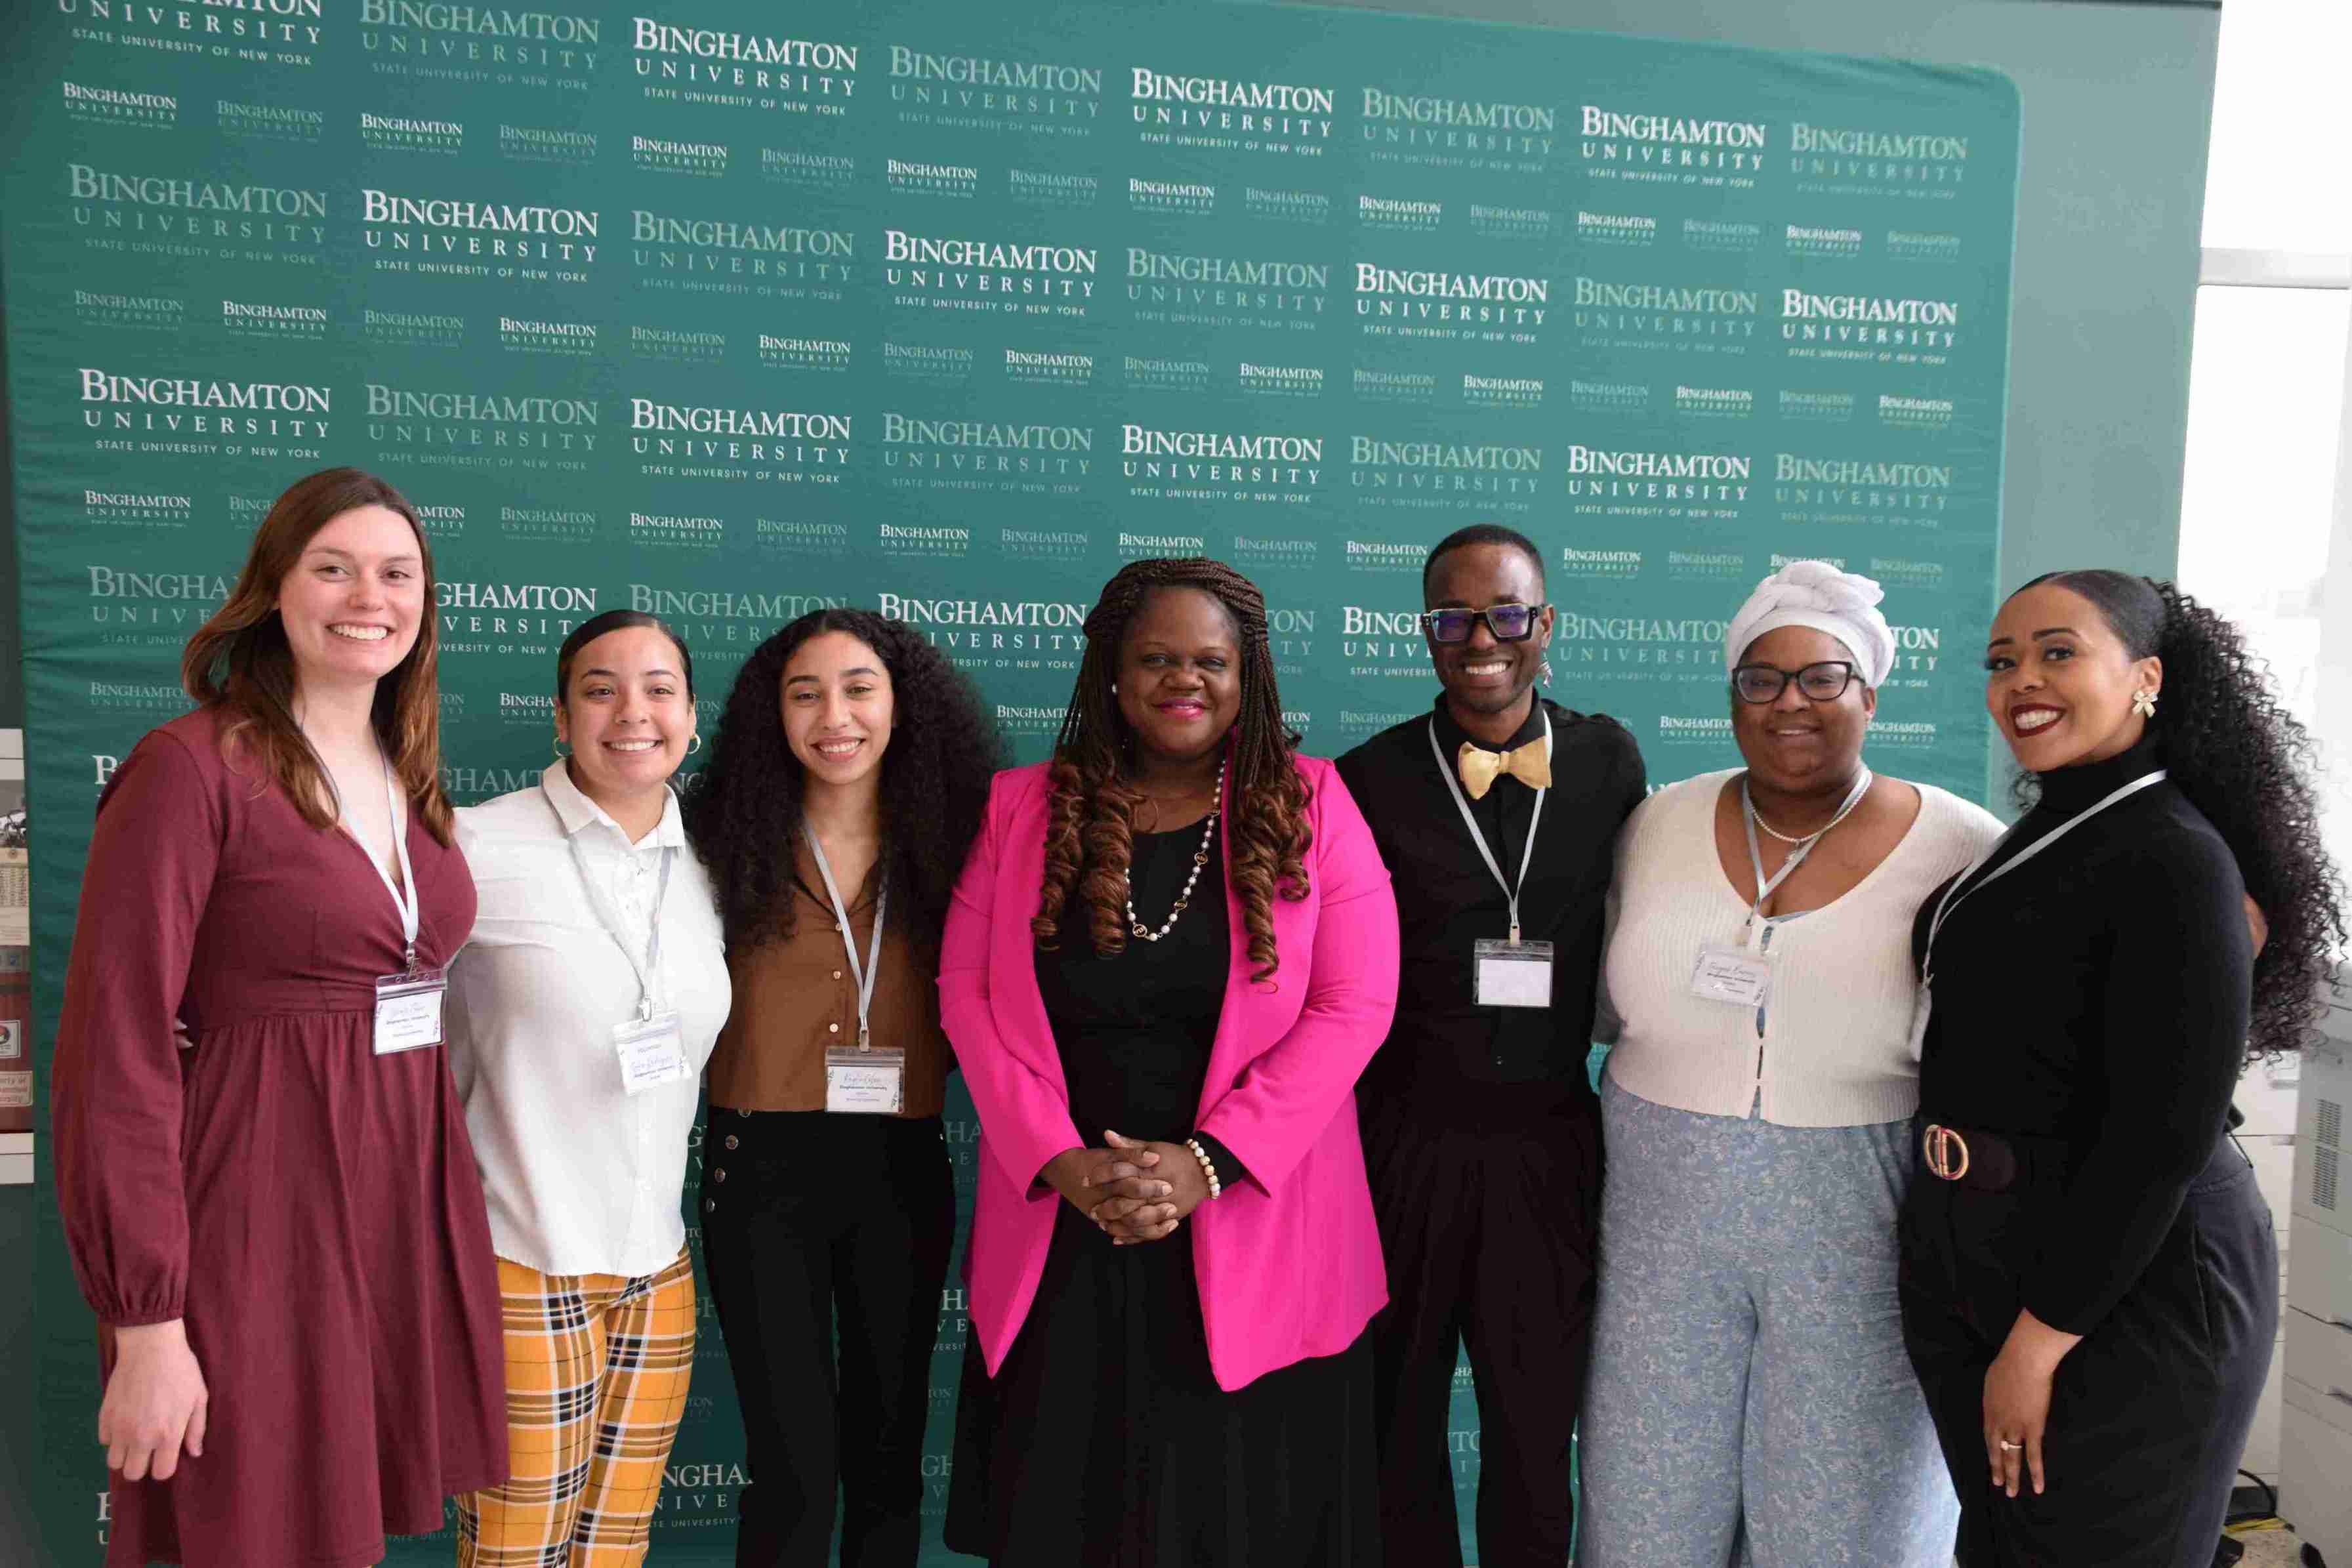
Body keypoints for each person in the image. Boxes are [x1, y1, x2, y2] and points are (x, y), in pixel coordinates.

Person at [49, 467, 505, 1568]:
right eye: (334, 566)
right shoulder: (190, 769)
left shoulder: (410, 778)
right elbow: (114, 1051)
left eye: (398, 573)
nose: (370, 595)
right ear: (274, 589)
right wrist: (149, 1321)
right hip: (254, 1208)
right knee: (251, 1530)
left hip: (393, 1212)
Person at [943, 557, 1400, 1567]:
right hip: (1070, 1223)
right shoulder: (1020, 809)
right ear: (1112, 670)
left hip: (1257, 1220)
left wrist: (1207, 1162)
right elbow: (967, 997)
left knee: (1239, 1527)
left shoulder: (1313, 806)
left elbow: (1354, 1004)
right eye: (1154, 658)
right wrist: (1060, 1160)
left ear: (1247, 678)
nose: (1181, 681)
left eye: (1209, 661)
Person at [1900, 570, 2344, 1567]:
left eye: (2058, 651)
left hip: (2119, 1289)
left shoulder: (2173, 852)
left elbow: (2160, 1136)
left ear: (2143, 677)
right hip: (1985, 1256)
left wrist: (2039, 1340)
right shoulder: (2054, 824)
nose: (2023, 679)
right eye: (2002, 659)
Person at [1577, 561, 2002, 1566]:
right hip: (1659, 1217)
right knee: (1643, 1511)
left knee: (1842, 1522)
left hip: (1856, 1218)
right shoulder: (1656, 822)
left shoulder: (1962, 846)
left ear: (1870, 694)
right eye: (1759, 680)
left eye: (1823, 678)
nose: (1789, 704)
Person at [1332, 522, 1643, 1567]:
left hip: (1549, 1145)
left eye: (1506, 613)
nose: (1481, 638)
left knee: (1532, 1426)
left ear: (1543, 624)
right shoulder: (1364, 778)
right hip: (1399, 1145)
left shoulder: (1607, 759)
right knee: (1392, 1424)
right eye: (1453, 616)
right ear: (1424, 631)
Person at [683, 608, 999, 1568]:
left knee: (888, 1457)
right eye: (804, 691)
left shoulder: (963, 841)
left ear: (902, 706)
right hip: (757, 1165)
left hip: (899, 1165)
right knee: (792, 1464)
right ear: (769, 713)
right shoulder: (710, 835)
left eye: (859, 687)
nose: (835, 715)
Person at [443, 609, 728, 1566]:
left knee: (617, 1547)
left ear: (692, 714)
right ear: (561, 718)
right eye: (600, 689)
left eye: (658, 688)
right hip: (521, 1256)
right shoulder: (474, 845)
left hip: (657, 1272)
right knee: (514, 1552)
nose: (631, 712)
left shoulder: (715, 868)